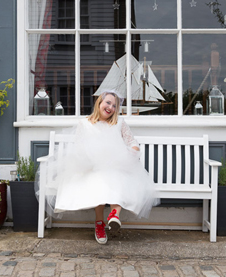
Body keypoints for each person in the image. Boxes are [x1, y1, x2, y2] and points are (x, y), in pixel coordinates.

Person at [37, 90, 159, 244]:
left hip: (116, 165)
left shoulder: (119, 123)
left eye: (114, 106)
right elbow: (80, 147)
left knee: (118, 177)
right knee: (99, 180)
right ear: (99, 102)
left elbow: (132, 143)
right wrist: (89, 159)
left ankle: (114, 215)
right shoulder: (85, 124)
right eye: (108, 103)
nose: (110, 107)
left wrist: (130, 153)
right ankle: (99, 223)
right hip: (93, 166)